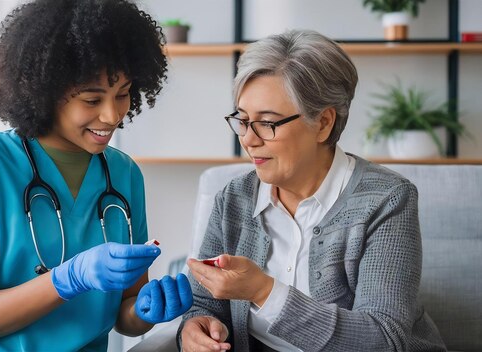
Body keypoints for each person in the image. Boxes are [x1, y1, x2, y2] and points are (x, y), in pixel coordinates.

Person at [0, 0, 192, 350]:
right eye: (91, 99)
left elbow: (125, 315)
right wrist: (68, 278)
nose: (112, 115)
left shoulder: (123, 173)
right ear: (46, 91)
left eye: (124, 94)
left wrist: (149, 309)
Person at [179, 30, 446, 352]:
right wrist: (193, 330)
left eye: (267, 122)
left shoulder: (387, 200)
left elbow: (383, 339)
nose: (248, 139)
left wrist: (264, 291)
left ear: (323, 123)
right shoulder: (233, 199)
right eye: (243, 120)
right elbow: (202, 303)